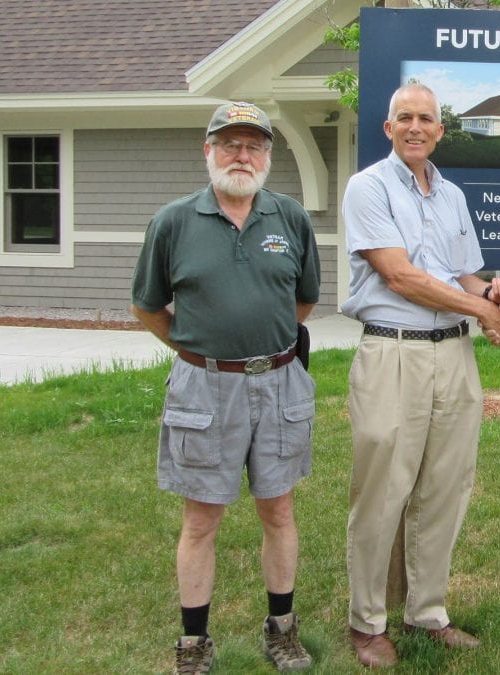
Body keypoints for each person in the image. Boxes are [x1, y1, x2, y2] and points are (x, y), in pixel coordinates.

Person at [131, 101, 320, 673]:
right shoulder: (173, 221)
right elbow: (148, 305)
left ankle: (281, 629)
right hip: (204, 390)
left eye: (255, 145)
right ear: (208, 151)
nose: (243, 155)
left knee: (279, 512)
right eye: (231, 144)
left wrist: (266, 347)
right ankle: (194, 642)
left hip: (280, 384)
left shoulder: (289, 218)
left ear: (268, 156)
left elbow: (304, 300)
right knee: (200, 520)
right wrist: (196, 354)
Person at [339, 82, 500, 669]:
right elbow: (401, 276)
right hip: (393, 353)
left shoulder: (452, 195)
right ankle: (366, 623)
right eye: (404, 118)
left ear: (441, 131)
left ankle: (427, 612)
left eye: (427, 118)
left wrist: (494, 291)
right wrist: (485, 311)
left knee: (446, 486)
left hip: (453, 354)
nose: (416, 127)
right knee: (382, 491)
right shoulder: (366, 187)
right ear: (388, 129)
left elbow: (463, 274)